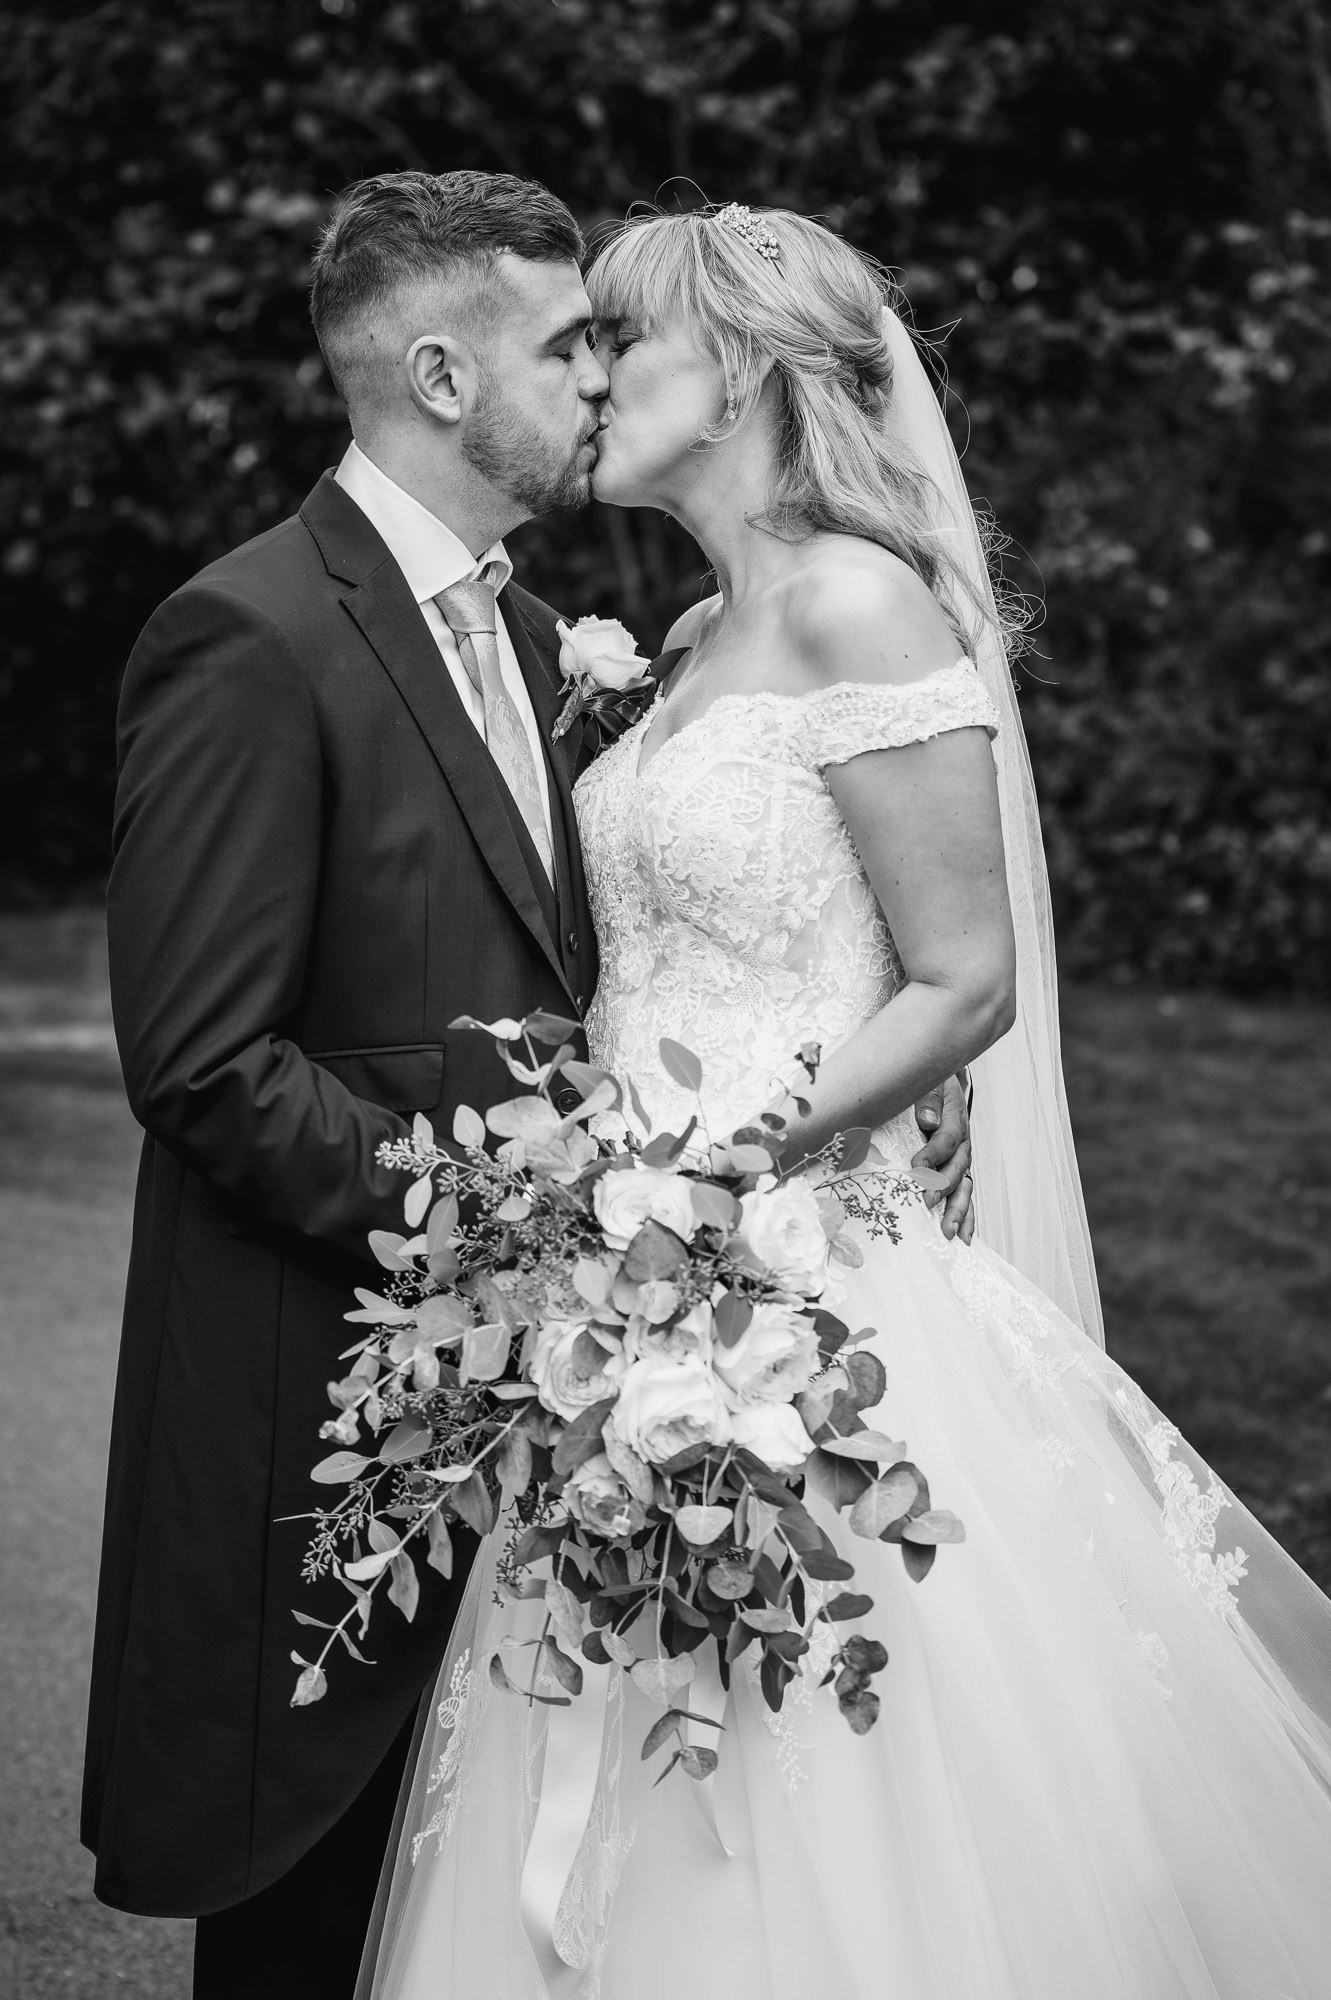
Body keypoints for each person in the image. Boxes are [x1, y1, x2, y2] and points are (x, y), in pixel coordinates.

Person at [365, 204, 1331, 2000]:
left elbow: (966, 978)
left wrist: (725, 1169)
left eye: (614, 346)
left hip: (804, 1267)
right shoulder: (686, 632)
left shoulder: (856, 600)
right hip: (636, 1277)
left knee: (842, 1742)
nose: (585, 381)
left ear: (734, 370)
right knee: (627, 1703)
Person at [81, 172, 973, 2000]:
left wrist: (815, 1097)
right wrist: (523, 1221)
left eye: (617, 340)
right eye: (570, 342)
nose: (597, 373)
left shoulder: (554, 631)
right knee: (316, 1914)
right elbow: (208, 1064)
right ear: (433, 371)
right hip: (357, 1380)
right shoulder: (251, 637)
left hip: (620, 1362)